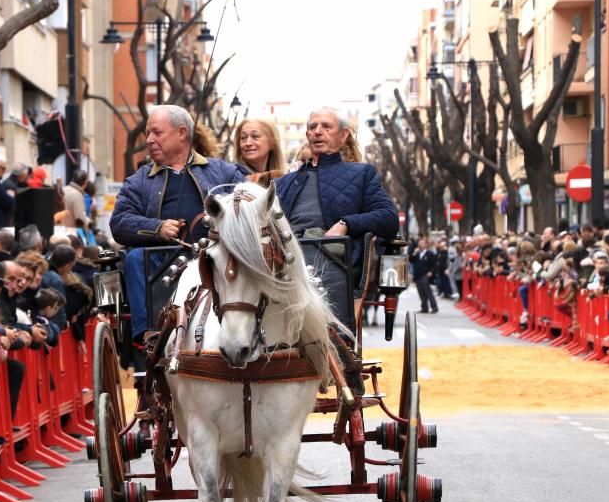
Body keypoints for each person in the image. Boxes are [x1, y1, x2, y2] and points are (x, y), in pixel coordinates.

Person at [109, 104, 245, 346]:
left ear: (182, 133)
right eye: (147, 133)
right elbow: (118, 222)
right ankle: (148, 336)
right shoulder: (139, 180)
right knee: (135, 258)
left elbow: (248, 204)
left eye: (156, 133)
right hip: (161, 262)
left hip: (217, 257)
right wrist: (157, 228)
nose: (149, 140)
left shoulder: (224, 172)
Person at [275, 107, 399, 268]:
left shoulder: (362, 175)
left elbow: (389, 218)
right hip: (286, 261)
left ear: (343, 135)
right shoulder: (283, 183)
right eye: (312, 127)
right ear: (307, 135)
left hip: (333, 264)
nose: (318, 132)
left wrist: (345, 224)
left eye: (326, 126)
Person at [411, 236, 439, 314]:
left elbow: (435, 264)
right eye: (419, 244)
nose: (420, 245)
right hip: (417, 275)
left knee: (427, 291)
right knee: (421, 292)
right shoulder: (417, 254)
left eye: (422, 244)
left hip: (425, 274)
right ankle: (424, 307)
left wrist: (431, 272)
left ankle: (434, 307)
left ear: (426, 245)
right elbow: (410, 259)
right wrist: (414, 252)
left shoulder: (430, 254)